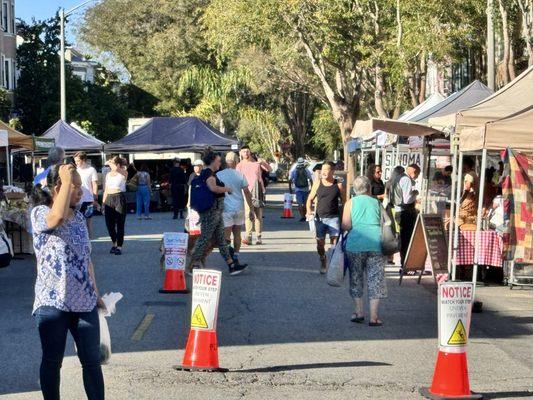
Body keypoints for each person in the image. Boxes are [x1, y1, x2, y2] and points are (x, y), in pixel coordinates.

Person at [30, 164, 105, 400]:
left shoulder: (80, 218)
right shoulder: (40, 213)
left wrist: (96, 292)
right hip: (52, 302)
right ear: (57, 189)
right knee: (52, 362)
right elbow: (56, 217)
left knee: (92, 362)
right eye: (75, 187)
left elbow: (86, 258)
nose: (81, 191)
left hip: (84, 302)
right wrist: (63, 177)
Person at [189, 151, 247, 276]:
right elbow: (213, 188)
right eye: (218, 161)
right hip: (211, 211)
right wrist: (227, 189)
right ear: (212, 161)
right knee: (205, 238)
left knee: (221, 240)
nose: (220, 163)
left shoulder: (209, 173)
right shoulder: (209, 173)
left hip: (216, 210)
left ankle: (231, 265)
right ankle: (192, 264)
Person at [341, 176, 386, 326]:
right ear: (369, 188)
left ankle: (359, 312)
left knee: (356, 278)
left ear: (354, 189)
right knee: (375, 280)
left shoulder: (350, 203)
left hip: (355, 245)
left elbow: (346, 225)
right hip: (376, 244)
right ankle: (374, 317)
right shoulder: (376, 202)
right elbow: (385, 223)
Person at [306, 161, 346, 274]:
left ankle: (333, 266)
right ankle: (323, 258)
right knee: (320, 244)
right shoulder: (318, 183)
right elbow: (309, 199)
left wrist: (346, 216)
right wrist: (309, 211)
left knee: (334, 244)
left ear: (332, 171)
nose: (323, 172)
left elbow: (344, 202)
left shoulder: (338, 184)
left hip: (334, 218)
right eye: (322, 169)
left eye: (326, 170)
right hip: (320, 218)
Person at [217, 152, 254, 264]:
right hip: (239, 208)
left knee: (226, 235)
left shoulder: (219, 175)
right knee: (237, 233)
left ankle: (229, 258)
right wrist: (251, 208)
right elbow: (247, 192)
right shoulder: (240, 175)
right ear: (236, 162)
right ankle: (236, 255)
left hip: (226, 209)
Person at [391, 163, 420, 268]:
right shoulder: (406, 179)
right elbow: (407, 199)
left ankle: (405, 263)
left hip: (399, 210)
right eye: (417, 174)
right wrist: (415, 193)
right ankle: (406, 264)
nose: (417, 177)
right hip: (405, 212)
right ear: (414, 171)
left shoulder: (398, 177)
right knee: (406, 239)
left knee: (403, 238)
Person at [236, 145, 267, 245]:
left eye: (247, 151)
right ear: (240, 153)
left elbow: (268, 170)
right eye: (244, 151)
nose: (246, 153)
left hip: (257, 191)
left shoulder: (256, 164)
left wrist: (263, 162)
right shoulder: (239, 166)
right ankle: (248, 236)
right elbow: (237, 180)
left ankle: (259, 237)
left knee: (258, 214)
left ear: (250, 152)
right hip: (245, 193)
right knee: (248, 214)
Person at [102, 156, 128, 255]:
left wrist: (110, 162)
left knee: (120, 223)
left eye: (113, 162)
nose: (110, 164)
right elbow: (106, 190)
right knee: (109, 224)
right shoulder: (108, 174)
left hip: (119, 197)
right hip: (109, 198)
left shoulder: (123, 173)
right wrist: (103, 203)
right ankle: (114, 243)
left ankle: (119, 246)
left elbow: (116, 169)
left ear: (117, 164)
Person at [74, 151, 99, 236]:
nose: (76, 163)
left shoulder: (91, 170)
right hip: (77, 200)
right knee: (78, 222)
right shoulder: (75, 171)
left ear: (84, 159)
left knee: (88, 222)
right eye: (75, 161)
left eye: (78, 161)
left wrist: (95, 199)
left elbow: (95, 184)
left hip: (89, 200)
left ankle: (88, 243)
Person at [458, 157, 479, 228]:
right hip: (473, 201)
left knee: (462, 218)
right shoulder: (473, 174)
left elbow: (467, 188)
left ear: (465, 165)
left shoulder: (469, 175)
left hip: (468, 200)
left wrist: (461, 200)